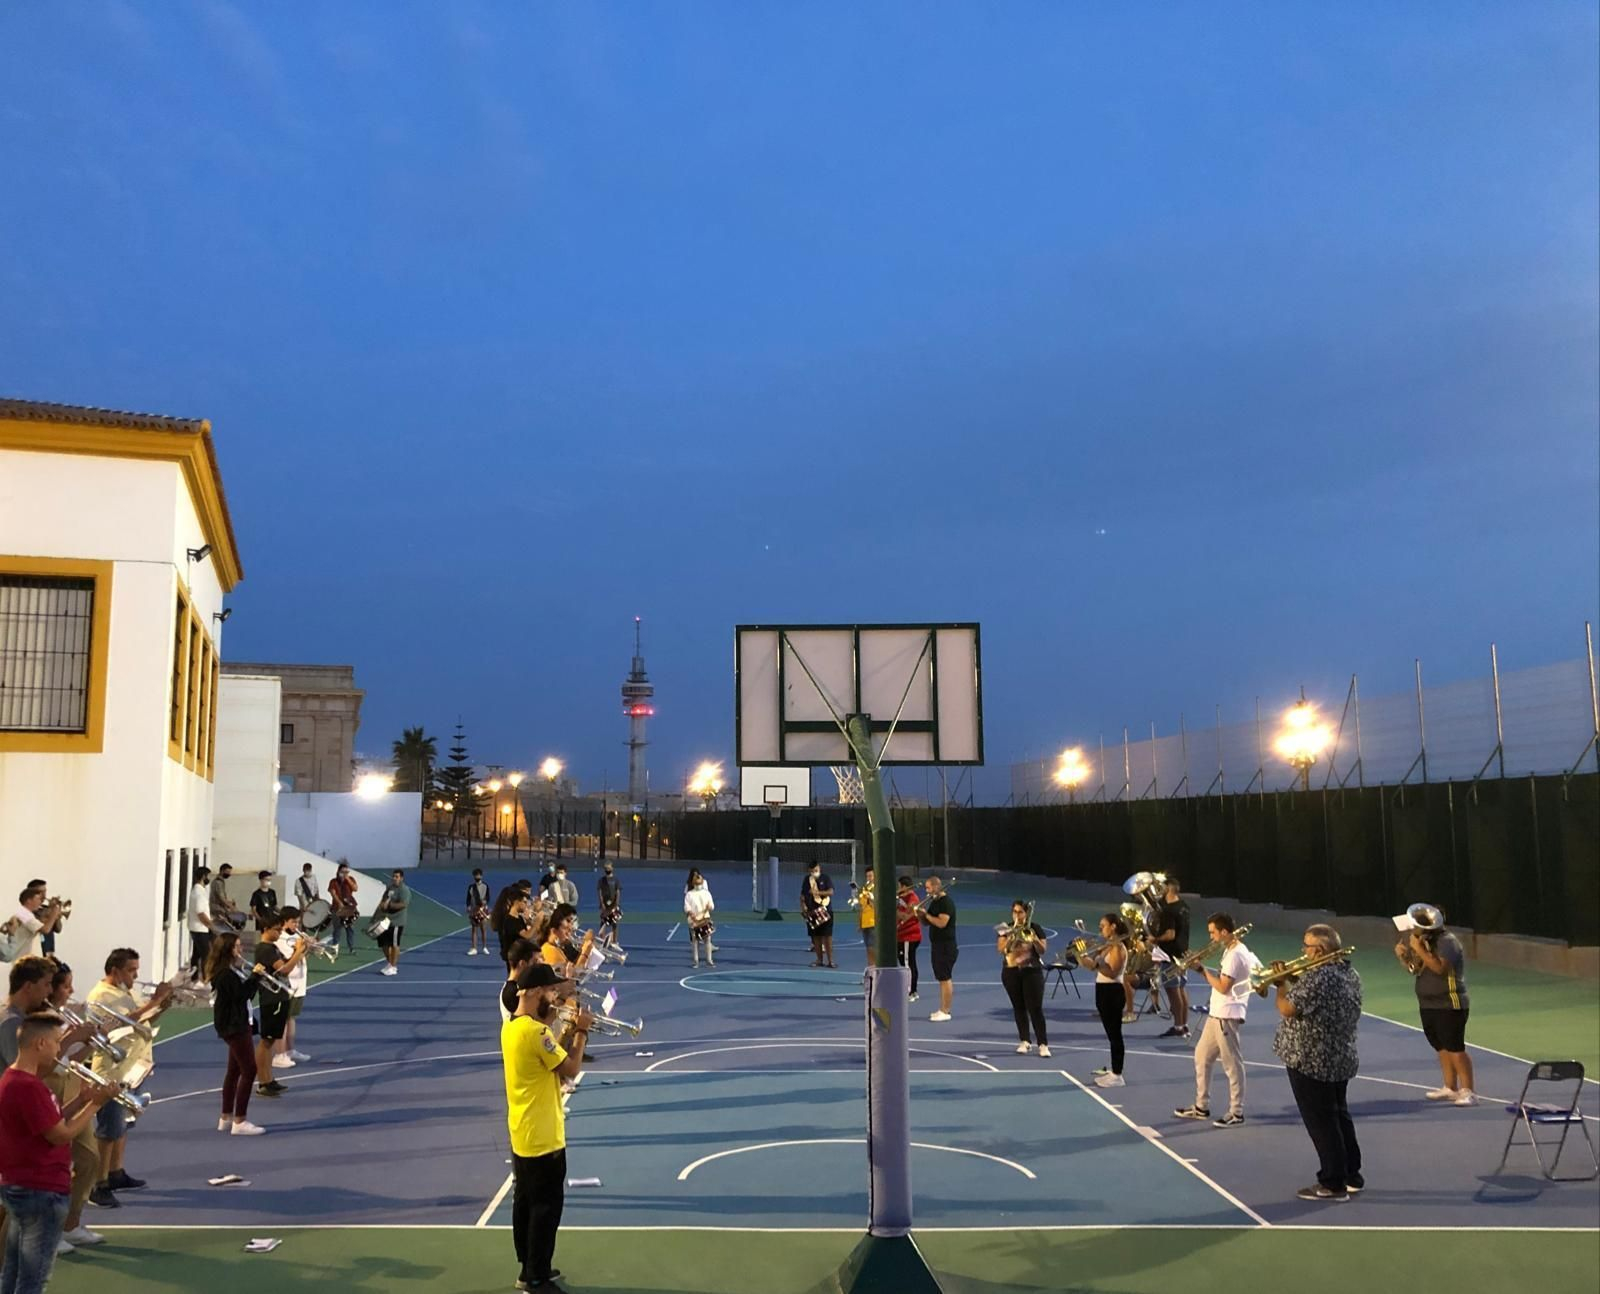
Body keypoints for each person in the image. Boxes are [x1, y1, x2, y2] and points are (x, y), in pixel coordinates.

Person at [0, 1013, 117, 1294]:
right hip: (41, 1189)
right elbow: (60, 1135)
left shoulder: (15, 1080)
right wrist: (96, 1106)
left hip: (22, 1185)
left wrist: (81, 1100)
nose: (58, 1049)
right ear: (40, 1043)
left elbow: (48, 1122)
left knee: (14, 1271)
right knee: (34, 1277)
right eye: (55, 1042)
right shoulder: (28, 1087)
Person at [501, 963, 591, 1292]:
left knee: (524, 1202)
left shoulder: (511, 1027)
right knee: (546, 1208)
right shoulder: (536, 1033)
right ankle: (536, 1276)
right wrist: (581, 1031)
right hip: (543, 1135)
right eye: (552, 991)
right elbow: (570, 1069)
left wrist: (561, 1029)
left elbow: (547, 1056)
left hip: (521, 1131)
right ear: (537, 991)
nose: (555, 996)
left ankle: (527, 1265)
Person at [1272, 923, 1364, 1201]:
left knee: (1321, 1122)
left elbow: (1288, 1008)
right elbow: (1318, 999)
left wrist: (1280, 986)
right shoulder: (1349, 973)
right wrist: (1292, 979)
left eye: (1307, 947)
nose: (1303, 952)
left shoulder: (1318, 977)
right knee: (1339, 1116)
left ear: (1320, 950)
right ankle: (1351, 1174)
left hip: (1310, 1058)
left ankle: (1332, 1182)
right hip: (1339, 1055)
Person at [85, 949, 170, 1209]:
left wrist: (161, 1007)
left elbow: (142, 1020)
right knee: (109, 1128)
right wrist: (153, 1001)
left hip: (134, 1066)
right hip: (113, 1069)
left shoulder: (126, 991)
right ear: (115, 971)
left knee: (123, 1124)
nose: (136, 975)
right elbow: (121, 1022)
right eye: (131, 970)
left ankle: (115, 1172)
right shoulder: (101, 995)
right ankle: (97, 1185)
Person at [42, 962, 109, 1252]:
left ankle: (71, 1224)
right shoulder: (40, 1020)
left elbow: (71, 1060)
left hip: (71, 1084)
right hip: (48, 1089)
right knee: (53, 1166)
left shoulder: (63, 1016)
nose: (70, 991)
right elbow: (44, 1063)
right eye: (65, 985)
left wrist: (93, 1042)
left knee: (90, 1159)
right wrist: (73, 1036)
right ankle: (49, 1232)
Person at [1175, 913, 1259, 1127]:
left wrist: (1201, 969)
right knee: (1201, 1057)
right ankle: (1201, 1106)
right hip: (1217, 1014)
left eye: (1213, 932)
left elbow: (1223, 986)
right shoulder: (1232, 951)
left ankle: (1236, 1112)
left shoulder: (1235, 955)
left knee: (1232, 1065)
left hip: (1227, 1015)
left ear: (1224, 932)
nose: (1211, 937)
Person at [1394, 908, 1475, 1106]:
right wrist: (1404, 957)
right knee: (1440, 1045)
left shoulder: (1448, 942)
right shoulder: (1426, 942)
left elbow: (1440, 968)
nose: (1414, 929)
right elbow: (1417, 969)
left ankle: (1468, 1091)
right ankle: (1450, 1087)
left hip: (1449, 1002)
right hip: (1428, 1003)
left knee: (1455, 1046)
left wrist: (1419, 949)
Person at [204, 935, 264, 1136]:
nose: (241, 950)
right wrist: (255, 977)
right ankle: (240, 1120)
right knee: (249, 1070)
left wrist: (253, 979)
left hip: (238, 1023)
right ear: (229, 949)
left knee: (234, 1071)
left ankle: (226, 1117)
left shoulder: (230, 972)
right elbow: (241, 995)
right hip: (235, 1026)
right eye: (237, 946)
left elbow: (243, 995)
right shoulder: (226, 975)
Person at [250, 914, 302, 1099]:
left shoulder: (270, 948)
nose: (279, 933)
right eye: (277, 930)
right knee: (266, 1041)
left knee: (269, 1041)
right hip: (272, 999)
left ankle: (268, 1080)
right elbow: (285, 969)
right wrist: (298, 951)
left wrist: (301, 951)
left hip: (278, 997)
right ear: (266, 929)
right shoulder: (265, 949)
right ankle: (263, 1082)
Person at [1076, 913, 1129, 1087]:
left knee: (1115, 1035)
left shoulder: (1118, 948)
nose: (1100, 928)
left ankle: (1117, 1075)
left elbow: (1112, 971)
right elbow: (1091, 964)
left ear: (1113, 926)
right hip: (1103, 990)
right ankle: (1114, 1071)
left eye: (1103, 925)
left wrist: (1095, 964)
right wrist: (1080, 954)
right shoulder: (1107, 946)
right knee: (1110, 1034)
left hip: (1113, 991)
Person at [998, 901, 1050, 1056]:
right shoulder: (1004, 928)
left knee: (1035, 1009)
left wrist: (1034, 939)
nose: (1017, 915)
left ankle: (1043, 1044)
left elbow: (1042, 950)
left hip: (1032, 971)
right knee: (1019, 1007)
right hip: (1011, 971)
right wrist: (1012, 935)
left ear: (1026, 913)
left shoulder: (1035, 928)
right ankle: (1025, 1041)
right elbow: (1001, 949)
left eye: (1020, 912)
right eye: (1014, 912)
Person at [1150, 876, 1192, 1038]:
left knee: (1173, 992)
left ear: (1168, 889)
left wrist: (1155, 939)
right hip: (1182, 954)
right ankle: (1184, 1025)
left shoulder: (1168, 910)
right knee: (1181, 990)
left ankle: (1178, 1027)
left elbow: (1169, 934)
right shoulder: (1184, 906)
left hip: (1170, 955)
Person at [271, 908, 311, 1070]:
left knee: (291, 1018)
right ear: (285, 921)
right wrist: (304, 947)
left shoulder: (297, 936)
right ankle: (279, 1055)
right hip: (287, 984)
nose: (297, 925)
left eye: (298, 921)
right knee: (282, 1020)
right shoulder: (280, 939)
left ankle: (289, 1050)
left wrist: (309, 946)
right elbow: (291, 959)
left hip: (300, 983)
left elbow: (303, 956)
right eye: (294, 921)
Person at [919, 876, 957, 1022]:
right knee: (941, 977)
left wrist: (926, 915)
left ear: (936, 887)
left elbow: (941, 923)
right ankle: (942, 1009)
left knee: (945, 978)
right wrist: (920, 915)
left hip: (946, 946)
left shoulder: (946, 903)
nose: (927, 891)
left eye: (928, 888)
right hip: (937, 945)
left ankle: (946, 1010)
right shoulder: (934, 902)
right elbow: (927, 923)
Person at [374, 870, 411, 976]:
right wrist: (382, 906)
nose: (394, 878)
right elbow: (383, 899)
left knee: (394, 944)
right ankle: (390, 963)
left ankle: (393, 966)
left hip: (397, 921)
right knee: (383, 943)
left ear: (401, 878)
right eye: (394, 876)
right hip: (386, 920)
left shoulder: (404, 890)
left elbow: (403, 904)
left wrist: (390, 906)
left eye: (397, 876)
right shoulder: (390, 888)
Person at [800, 862, 835, 968]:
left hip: (825, 910)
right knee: (816, 937)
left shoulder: (826, 878)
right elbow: (802, 895)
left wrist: (818, 893)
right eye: (811, 871)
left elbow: (831, 892)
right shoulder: (807, 880)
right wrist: (803, 907)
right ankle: (819, 960)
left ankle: (830, 961)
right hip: (812, 911)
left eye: (815, 870)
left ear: (819, 868)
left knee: (827, 936)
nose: (813, 872)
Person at [186, 865, 217, 979]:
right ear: (204, 876)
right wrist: (210, 925)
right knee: (206, 955)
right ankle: (206, 979)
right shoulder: (198, 893)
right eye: (208, 876)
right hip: (200, 929)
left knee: (197, 954)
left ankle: (193, 977)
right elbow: (200, 913)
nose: (209, 878)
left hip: (197, 928)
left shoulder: (199, 891)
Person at [895, 878, 922, 1002]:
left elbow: (906, 915)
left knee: (907, 963)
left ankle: (910, 991)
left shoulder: (912, 898)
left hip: (909, 935)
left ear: (904, 886)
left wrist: (894, 910)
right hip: (900, 935)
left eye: (899, 886)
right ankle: (911, 989)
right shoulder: (900, 897)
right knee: (903, 960)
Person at [500, 939, 539, 1024]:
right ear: (522, 964)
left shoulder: (519, 987)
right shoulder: (512, 993)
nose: (538, 965)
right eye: (535, 961)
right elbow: (534, 1021)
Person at [683, 870, 715, 968]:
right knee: (698, 941)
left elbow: (711, 906)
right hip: (695, 920)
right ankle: (698, 961)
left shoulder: (705, 893)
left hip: (703, 919)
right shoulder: (690, 894)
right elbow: (687, 907)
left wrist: (709, 907)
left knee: (704, 940)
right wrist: (690, 912)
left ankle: (706, 960)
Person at [328, 863, 360, 955]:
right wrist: (340, 903)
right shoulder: (333, 881)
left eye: (346, 872)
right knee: (337, 929)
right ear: (338, 871)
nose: (344, 873)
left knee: (350, 928)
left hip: (349, 907)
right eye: (342, 872)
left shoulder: (350, 879)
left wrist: (347, 879)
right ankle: (335, 948)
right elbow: (333, 893)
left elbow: (355, 888)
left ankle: (351, 948)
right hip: (337, 908)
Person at [210, 863, 244, 933]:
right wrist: (232, 908)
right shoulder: (218, 883)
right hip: (217, 909)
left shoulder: (220, 882)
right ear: (222, 871)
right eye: (228, 872)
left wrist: (230, 903)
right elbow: (221, 898)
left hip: (219, 908)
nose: (229, 874)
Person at [466, 869, 492, 957]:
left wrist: (485, 902)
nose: (477, 877)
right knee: (474, 929)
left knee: (483, 929)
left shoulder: (485, 886)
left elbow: (488, 897)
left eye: (478, 875)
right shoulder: (471, 887)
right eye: (475, 875)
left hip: (482, 910)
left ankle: (484, 947)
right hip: (474, 910)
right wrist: (468, 906)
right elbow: (468, 898)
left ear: (481, 876)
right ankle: (474, 948)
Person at [596, 864, 623, 950]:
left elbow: (618, 892)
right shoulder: (601, 881)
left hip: (613, 905)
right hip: (605, 906)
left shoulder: (616, 880)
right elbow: (600, 893)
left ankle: (614, 942)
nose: (607, 869)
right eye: (606, 868)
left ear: (612, 868)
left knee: (614, 923)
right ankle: (602, 941)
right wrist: (602, 904)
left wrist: (616, 904)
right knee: (603, 923)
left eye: (609, 868)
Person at [851, 877, 876, 968]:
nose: (869, 878)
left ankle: (875, 968)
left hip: (874, 922)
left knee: (872, 947)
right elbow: (862, 908)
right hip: (865, 923)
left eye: (871, 875)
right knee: (868, 947)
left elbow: (879, 906)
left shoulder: (878, 890)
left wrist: (872, 898)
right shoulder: (864, 891)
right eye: (867, 876)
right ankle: (870, 967)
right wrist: (859, 923)